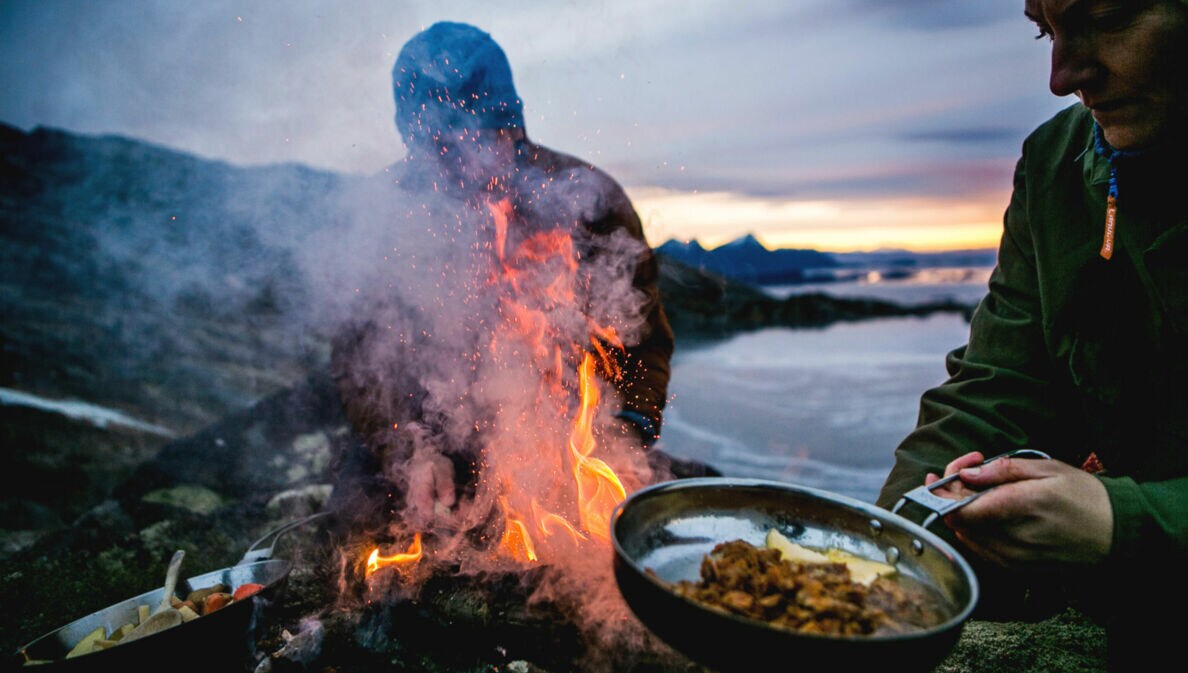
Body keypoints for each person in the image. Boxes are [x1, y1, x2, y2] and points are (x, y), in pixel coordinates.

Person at [876, 0, 1186, 666]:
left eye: (1107, 19)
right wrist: (883, 548)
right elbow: (998, 386)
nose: (1063, 74)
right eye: (1048, 31)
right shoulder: (1056, 163)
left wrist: (1118, 522)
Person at [328, 22, 717, 531]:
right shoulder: (383, 215)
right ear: (415, 142)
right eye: (441, 150)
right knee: (356, 513)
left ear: (511, 124)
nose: (459, 167)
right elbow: (357, 354)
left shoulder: (589, 201)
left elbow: (643, 343)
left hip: (562, 439)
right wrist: (410, 448)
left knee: (662, 513)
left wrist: (624, 434)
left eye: (476, 141)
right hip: (436, 439)